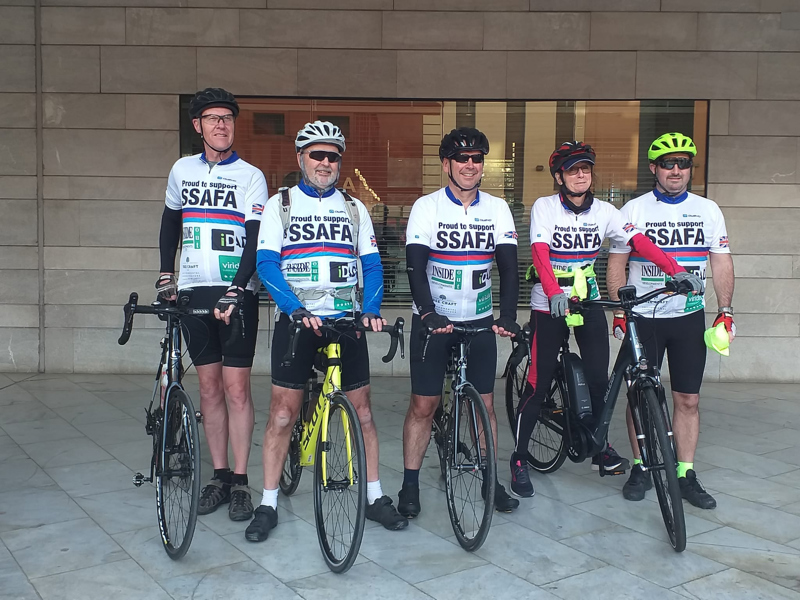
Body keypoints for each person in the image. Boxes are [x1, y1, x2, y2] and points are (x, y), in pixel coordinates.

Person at [510, 141, 703, 498]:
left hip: (588, 302)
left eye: (585, 168)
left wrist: (676, 270)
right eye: (572, 170)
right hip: (548, 303)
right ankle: (519, 459)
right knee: (536, 386)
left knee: (601, 380)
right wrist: (553, 291)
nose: (581, 175)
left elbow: (640, 242)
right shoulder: (545, 207)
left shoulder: (605, 211)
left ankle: (600, 447)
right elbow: (539, 253)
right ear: (559, 177)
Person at [247, 121, 408, 542]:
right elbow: (267, 264)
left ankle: (374, 497)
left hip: (345, 320)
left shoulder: (355, 208)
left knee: (365, 412)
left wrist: (370, 308)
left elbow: (371, 266)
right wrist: (295, 308)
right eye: (316, 154)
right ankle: (267, 504)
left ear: (340, 163)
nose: (325, 162)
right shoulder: (280, 205)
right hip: (298, 321)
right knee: (283, 414)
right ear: (301, 158)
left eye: (332, 156)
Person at [398, 127, 521, 518]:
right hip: (434, 321)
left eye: (477, 158)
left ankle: (491, 480)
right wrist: (429, 311)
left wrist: (506, 316)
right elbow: (416, 267)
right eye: (462, 158)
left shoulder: (497, 208)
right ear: (446, 164)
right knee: (424, 404)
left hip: (479, 320)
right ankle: (410, 483)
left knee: (485, 405)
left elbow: (508, 266)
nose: (471, 165)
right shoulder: (427, 206)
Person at [607, 132, 734, 509]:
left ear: (691, 169)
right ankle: (642, 465)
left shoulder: (708, 210)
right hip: (644, 316)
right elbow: (616, 263)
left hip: (688, 317)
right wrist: (619, 310)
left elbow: (722, 261)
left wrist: (725, 311)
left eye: (683, 163)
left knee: (688, 398)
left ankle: (685, 473)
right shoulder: (633, 211)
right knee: (638, 397)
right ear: (653, 168)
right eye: (667, 163)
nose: (676, 169)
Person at [157, 88, 267, 522]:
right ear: (197, 125)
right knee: (208, 388)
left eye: (227, 117)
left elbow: (255, 239)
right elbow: (170, 224)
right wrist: (167, 275)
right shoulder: (181, 170)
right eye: (212, 118)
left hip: (236, 292)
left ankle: (240, 481)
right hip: (195, 290)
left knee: (237, 389)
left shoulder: (251, 175)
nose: (221, 124)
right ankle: (219, 476)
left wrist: (237, 288)